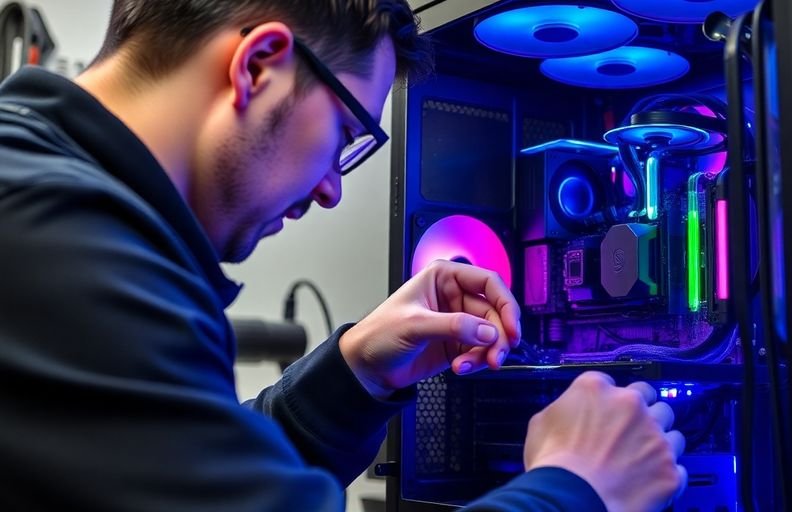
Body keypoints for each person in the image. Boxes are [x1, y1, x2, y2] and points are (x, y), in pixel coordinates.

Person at [0, 1, 687, 510]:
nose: (330, 188)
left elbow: (176, 478)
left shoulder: (49, 204)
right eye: (347, 135)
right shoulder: (56, 233)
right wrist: (578, 486)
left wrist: (357, 369)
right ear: (259, 66)